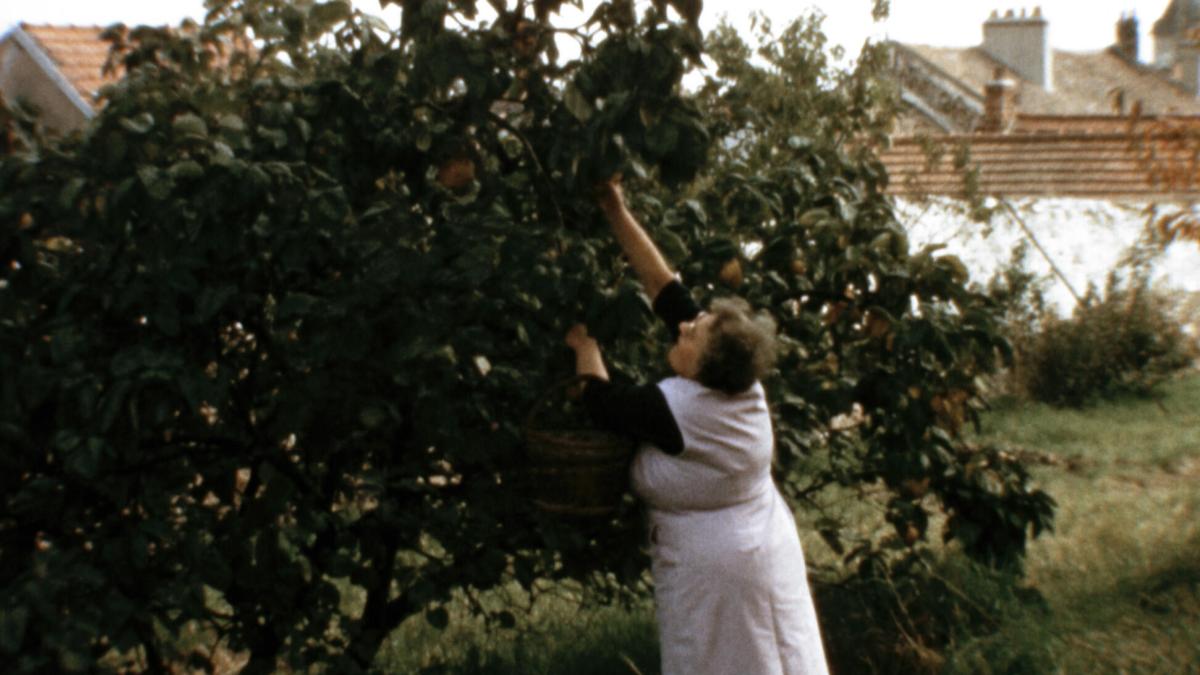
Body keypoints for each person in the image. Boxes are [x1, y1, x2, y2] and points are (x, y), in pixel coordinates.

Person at [564, 179, 830, 675]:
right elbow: (665, 289)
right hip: (754, 552)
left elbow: (601, 402)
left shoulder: (678, 411)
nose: (685, 327)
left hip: (728, 575)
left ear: (704, 367)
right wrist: (616, 210)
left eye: (693, 335)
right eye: (696, 322)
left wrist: (585, 347)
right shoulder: (739, 383)